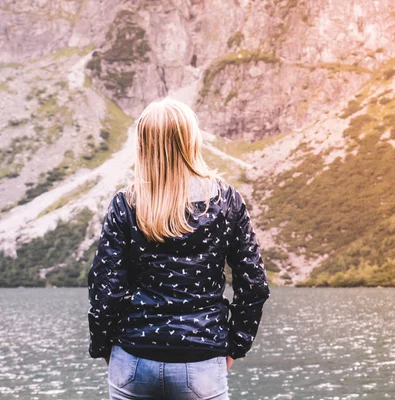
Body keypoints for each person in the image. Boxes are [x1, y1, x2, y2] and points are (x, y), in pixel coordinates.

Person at [87, 97, 270, 399]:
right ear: (191, 140)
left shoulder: (126, 204)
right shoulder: (226, 201)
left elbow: (105, 288)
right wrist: (234, 350)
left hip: (133, 358)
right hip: (202, 361)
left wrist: (107, 350)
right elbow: (254, 285)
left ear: (144, 144)